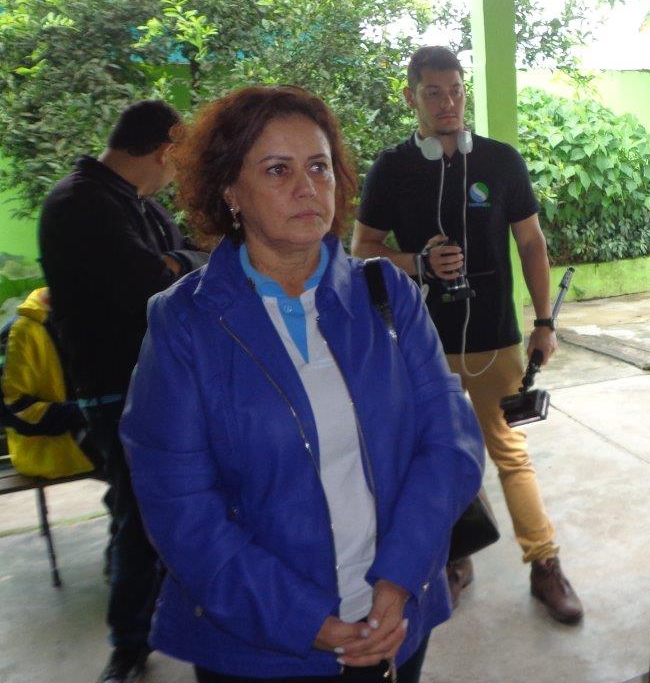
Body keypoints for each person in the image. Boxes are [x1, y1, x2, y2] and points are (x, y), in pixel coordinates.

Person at [118, 86, 486, 681]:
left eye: (318, 166)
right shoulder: (186, 323)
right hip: (259, 644)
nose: (307, 186)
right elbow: (179, 505)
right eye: (277, 170)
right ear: (230, 191)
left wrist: (399, 579)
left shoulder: (386, 295)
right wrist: (307, 621)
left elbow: (450, 441)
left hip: (393, 621)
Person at [351, 45, 583, 624]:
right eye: (433, 93)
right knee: (437, 455)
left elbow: (531, 243)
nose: (448, 103)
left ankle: (545, 563)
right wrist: (418, 262)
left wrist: (544, 322)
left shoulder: (501, 162)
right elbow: (362, 250)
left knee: (509, 451)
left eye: (455, 91)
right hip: (418, 340)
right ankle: (456, 557)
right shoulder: (392, 169)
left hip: (494, 338)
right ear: (411, 97)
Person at [37, 99, 208, 683]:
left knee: (164, 507)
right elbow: (153, 285)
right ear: (164, 151)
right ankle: (128, 648)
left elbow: (189, 265)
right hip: (114, 388)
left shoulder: (140, 206)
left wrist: (179, 260)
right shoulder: (78, 203)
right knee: (142, 516)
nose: (176, 176)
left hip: (164, 380)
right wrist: (180, 263)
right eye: (178, 162)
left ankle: (168, 619)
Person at [0, 286, 95, 478]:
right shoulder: (19, 331)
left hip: (86, 435)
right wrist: (87, 412)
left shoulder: (85, 315)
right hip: (49, 450)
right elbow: (12, 409)